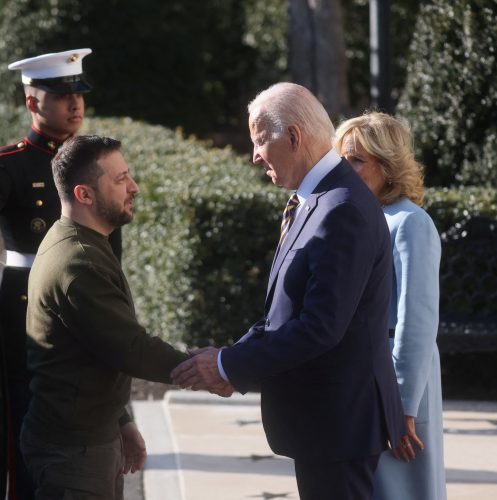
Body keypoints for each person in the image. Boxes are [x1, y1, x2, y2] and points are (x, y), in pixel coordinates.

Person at [171, 82, 405, 500]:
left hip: (338, 423)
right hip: (325, 422)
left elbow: (320, 327)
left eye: (260, 140)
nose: (255, 155)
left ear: (294, 137)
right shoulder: (316, 198)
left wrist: (229, 365)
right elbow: (282, 314)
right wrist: (230, 360)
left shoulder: (342, 208)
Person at [0, 49, 121, 499]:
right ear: (33, 103)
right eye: (61, 94)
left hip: (91, 313)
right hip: (26, 321)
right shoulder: (6, 166)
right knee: (33, 447)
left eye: (78, 93)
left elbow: (112, 250)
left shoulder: (99, 161)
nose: (75, 104)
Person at [22, 135, 189, 499]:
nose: (135, 187)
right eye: (120, 180)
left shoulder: (82, 241)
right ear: (84, 195)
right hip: (75, 454)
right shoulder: (79, 263)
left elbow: (92, 352)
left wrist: (122, 421)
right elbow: (130, 349)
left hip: (89, 439)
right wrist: (213, 367)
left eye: (128, 175)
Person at [335, 112, 446, 500]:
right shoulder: (360, 216)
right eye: (342, 159)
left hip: (396, 380)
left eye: (357, 159)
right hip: (362, 377)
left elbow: (416, 320)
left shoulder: (410, 222)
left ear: (387, 165)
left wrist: (400, 407)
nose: (345, 169)